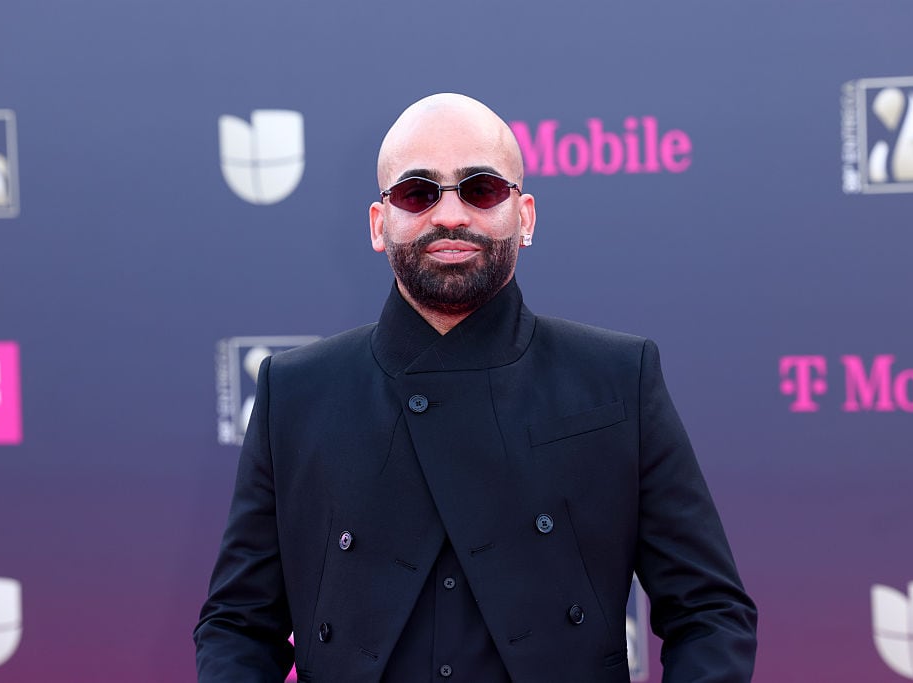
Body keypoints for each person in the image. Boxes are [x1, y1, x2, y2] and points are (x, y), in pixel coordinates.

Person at [194, 93, 757, 682]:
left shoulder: (617, 377)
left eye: (480, 188)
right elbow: (239, 624)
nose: (450, 215)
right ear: (379, 224)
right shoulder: (297, 393)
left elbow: (710, 613)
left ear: (526, 215)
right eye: (418, 192)